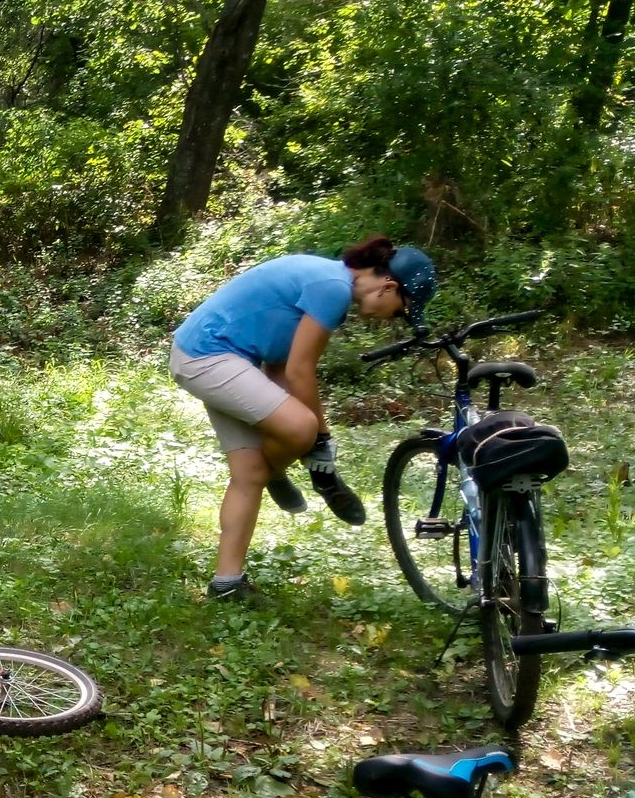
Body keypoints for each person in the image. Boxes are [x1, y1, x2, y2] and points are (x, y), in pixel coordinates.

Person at [169, 235, 435, 600]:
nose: (394, 319)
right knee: (302, 427)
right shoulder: (332, 287)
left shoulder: (330, 285)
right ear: (388, 287)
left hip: (219, 357)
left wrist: (313, 442)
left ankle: (226, 583)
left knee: (250, 474)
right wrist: (321, 439)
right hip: (209, 355)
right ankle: (299, 471)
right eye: (401, 310)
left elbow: (280, 367)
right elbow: (300, 372)